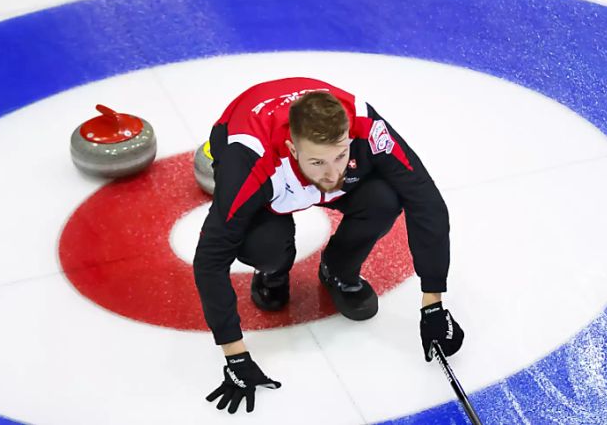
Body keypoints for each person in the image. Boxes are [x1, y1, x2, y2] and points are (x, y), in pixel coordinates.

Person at [194, 77, 464, 414]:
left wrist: (433, 301)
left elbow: (425, 199)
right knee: (263, 242)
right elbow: (209, 259)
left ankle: (338, 269)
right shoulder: (248, 163)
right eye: (318, 162)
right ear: (293, 148)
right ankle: (274, 272)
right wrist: (234, 355)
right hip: (255, 154)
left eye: (340, 156)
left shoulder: (368, 130)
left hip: (302, 164)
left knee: (385, 197)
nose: (332, 172)